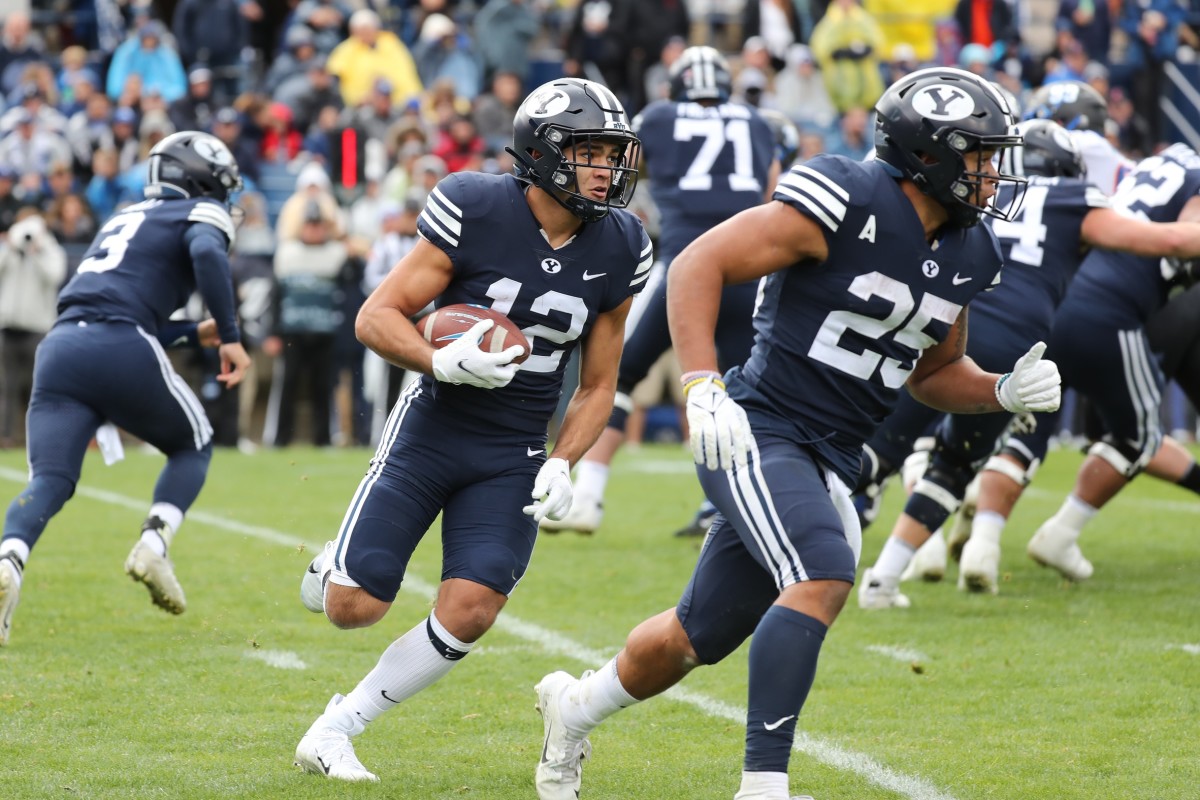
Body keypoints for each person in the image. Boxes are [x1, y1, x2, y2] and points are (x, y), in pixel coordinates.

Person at [532, 67, 1056, 800]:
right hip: (760, 426)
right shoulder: (846, 196)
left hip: (831, 455)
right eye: (979, 156)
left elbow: (934, 373)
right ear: (928, 155)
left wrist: (998, 390)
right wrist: (701, 383)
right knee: (823, 573)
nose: (993, 173)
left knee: (696, 635)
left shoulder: (972, 251)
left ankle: (573, 707)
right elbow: (698, 263)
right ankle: (764, 787)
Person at [292, 77, 651, 782]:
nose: (609, 169)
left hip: (514, 447)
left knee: (474, 606)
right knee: (353, 607)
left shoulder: (621, 243)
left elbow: (599, 384)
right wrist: (437, 358)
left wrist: (563, 460)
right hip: (434, 425)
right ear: (544, 155)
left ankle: (339, 728)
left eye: (615, 154)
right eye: (592, 153)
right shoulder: (475, 205)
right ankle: (330, 562)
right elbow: (376, 317)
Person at [855, 121, 1200, 605]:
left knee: (881, 448)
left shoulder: (977, 194)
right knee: (955, 464)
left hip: (943, 321)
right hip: (1012, 344)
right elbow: (1161, 242)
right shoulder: (1075, 199)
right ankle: (882, 579)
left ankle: (803, 543)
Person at [0, 131, 251, 647]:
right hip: (116, 343)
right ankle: (154, 543)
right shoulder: (197, 214)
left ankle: (9, 559)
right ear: (198, 180)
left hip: (62, 347)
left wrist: (190, 332)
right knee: (195, 442)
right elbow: (205, 250)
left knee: (49, 479)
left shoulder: (123, 217)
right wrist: (229, 336)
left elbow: (113, 306)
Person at [539, 46, 778, 536]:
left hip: (688, 269)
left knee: (618, 377)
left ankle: (587, 496)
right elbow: (771, 187)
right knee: (741, 391)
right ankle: (732, 506)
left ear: (676, 85)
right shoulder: (757, 121)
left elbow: (624, 164)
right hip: (750, 267)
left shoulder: (660, 116)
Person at [988, 143, 1200, 584]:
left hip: (1059, 298)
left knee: (1019, 426)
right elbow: (1184, 238)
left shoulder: (1167, 162)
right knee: (1140, 435)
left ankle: (971, 540)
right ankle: (1061, 533)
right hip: (1109, 310)